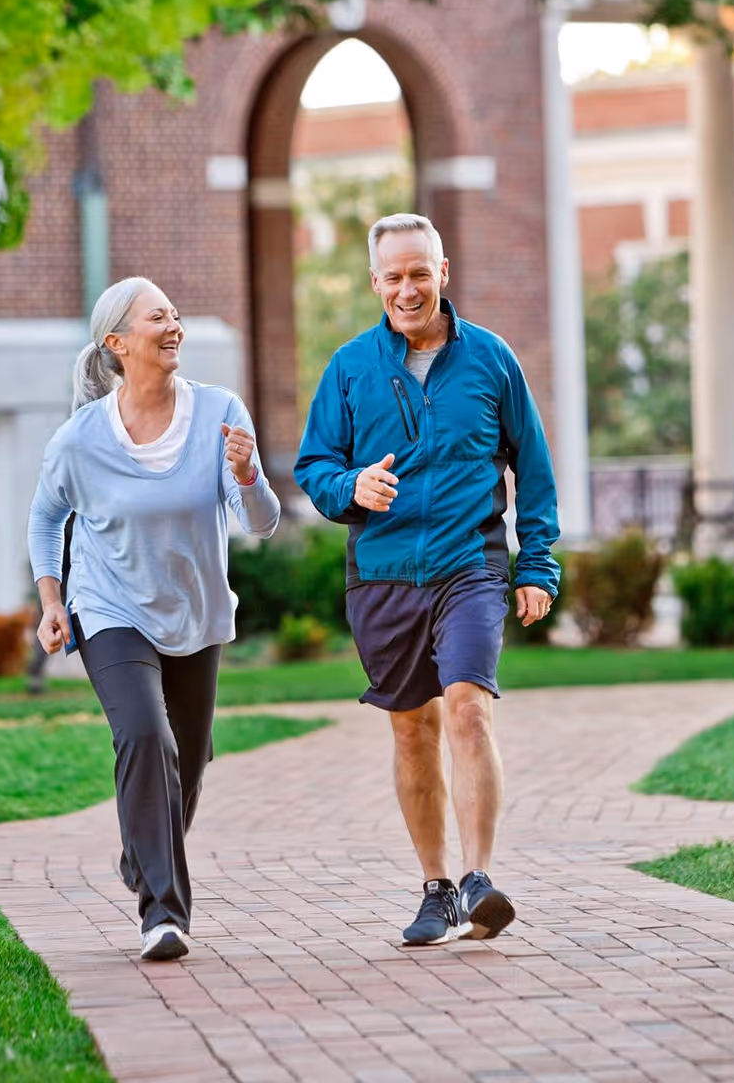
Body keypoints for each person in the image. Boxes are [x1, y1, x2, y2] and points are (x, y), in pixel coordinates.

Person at [295, 212, 561, 947]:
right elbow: (313, 467)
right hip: (380, 575)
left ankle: (480, 878)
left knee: (469, 707)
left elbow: (532, 471)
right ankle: (437, 888)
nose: (407, 288)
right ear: (376, 282)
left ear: (443, 273)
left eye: (420, 272)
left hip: (469, 563)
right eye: (394, 276)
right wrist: (353, 487)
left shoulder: (491, 360)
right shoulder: (350, 368)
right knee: (413, 730)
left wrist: (536, 564)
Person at [28, 277, 280, 963]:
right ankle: (163, 913)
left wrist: (250, 474)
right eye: (157, 318)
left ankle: (143, 855)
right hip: (108, 609)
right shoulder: (80, 439)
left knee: (189, 760)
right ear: (117, 343)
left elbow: (259, 524)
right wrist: (53, 601)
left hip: (195, 613)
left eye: (175, 314)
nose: (174, 326)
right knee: (145, 736)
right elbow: (47, 518)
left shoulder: (221, 413)